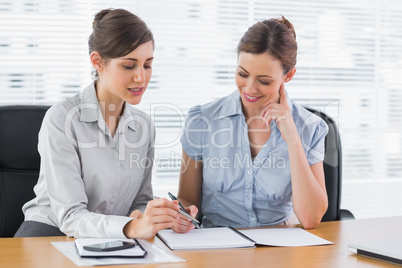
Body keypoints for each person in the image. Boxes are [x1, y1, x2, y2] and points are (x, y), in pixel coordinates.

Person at [15, 8, 194, 238]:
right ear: (97, 61)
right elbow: (70, 216)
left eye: (147, 64)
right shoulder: (62, 119)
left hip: (111, 239)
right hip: (50, 234)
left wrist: (158, 217)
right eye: (129, 65)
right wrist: (133, 227)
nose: (141, 77)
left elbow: (139, 201)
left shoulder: (143, 126)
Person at [178, 16, 329, 230]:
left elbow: (311, 219)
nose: (249, 88)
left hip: (280, 248)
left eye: (264, 81)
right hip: (218, 247)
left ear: (289, 76)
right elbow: (186, 199)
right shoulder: (202, 121)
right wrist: (182, 215)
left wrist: (293, 139)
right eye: (242, 74)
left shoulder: (310, 128)